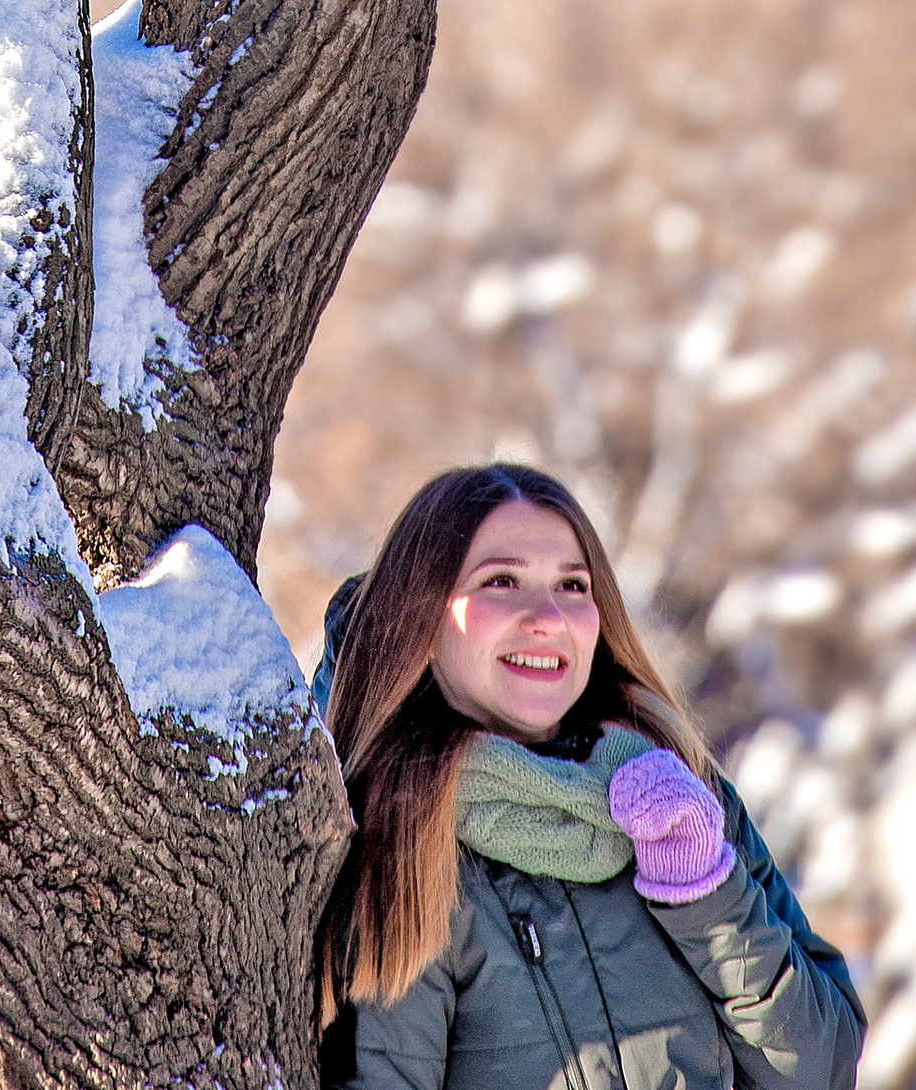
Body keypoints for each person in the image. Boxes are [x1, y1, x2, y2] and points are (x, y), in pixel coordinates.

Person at [313, 463, 865, 1090]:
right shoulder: (398, 836)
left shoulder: (678, 790)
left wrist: (705, 896)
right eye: (501, 581)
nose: (546, 615)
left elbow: (824, 1069)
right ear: (423, 623)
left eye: (573, 587)